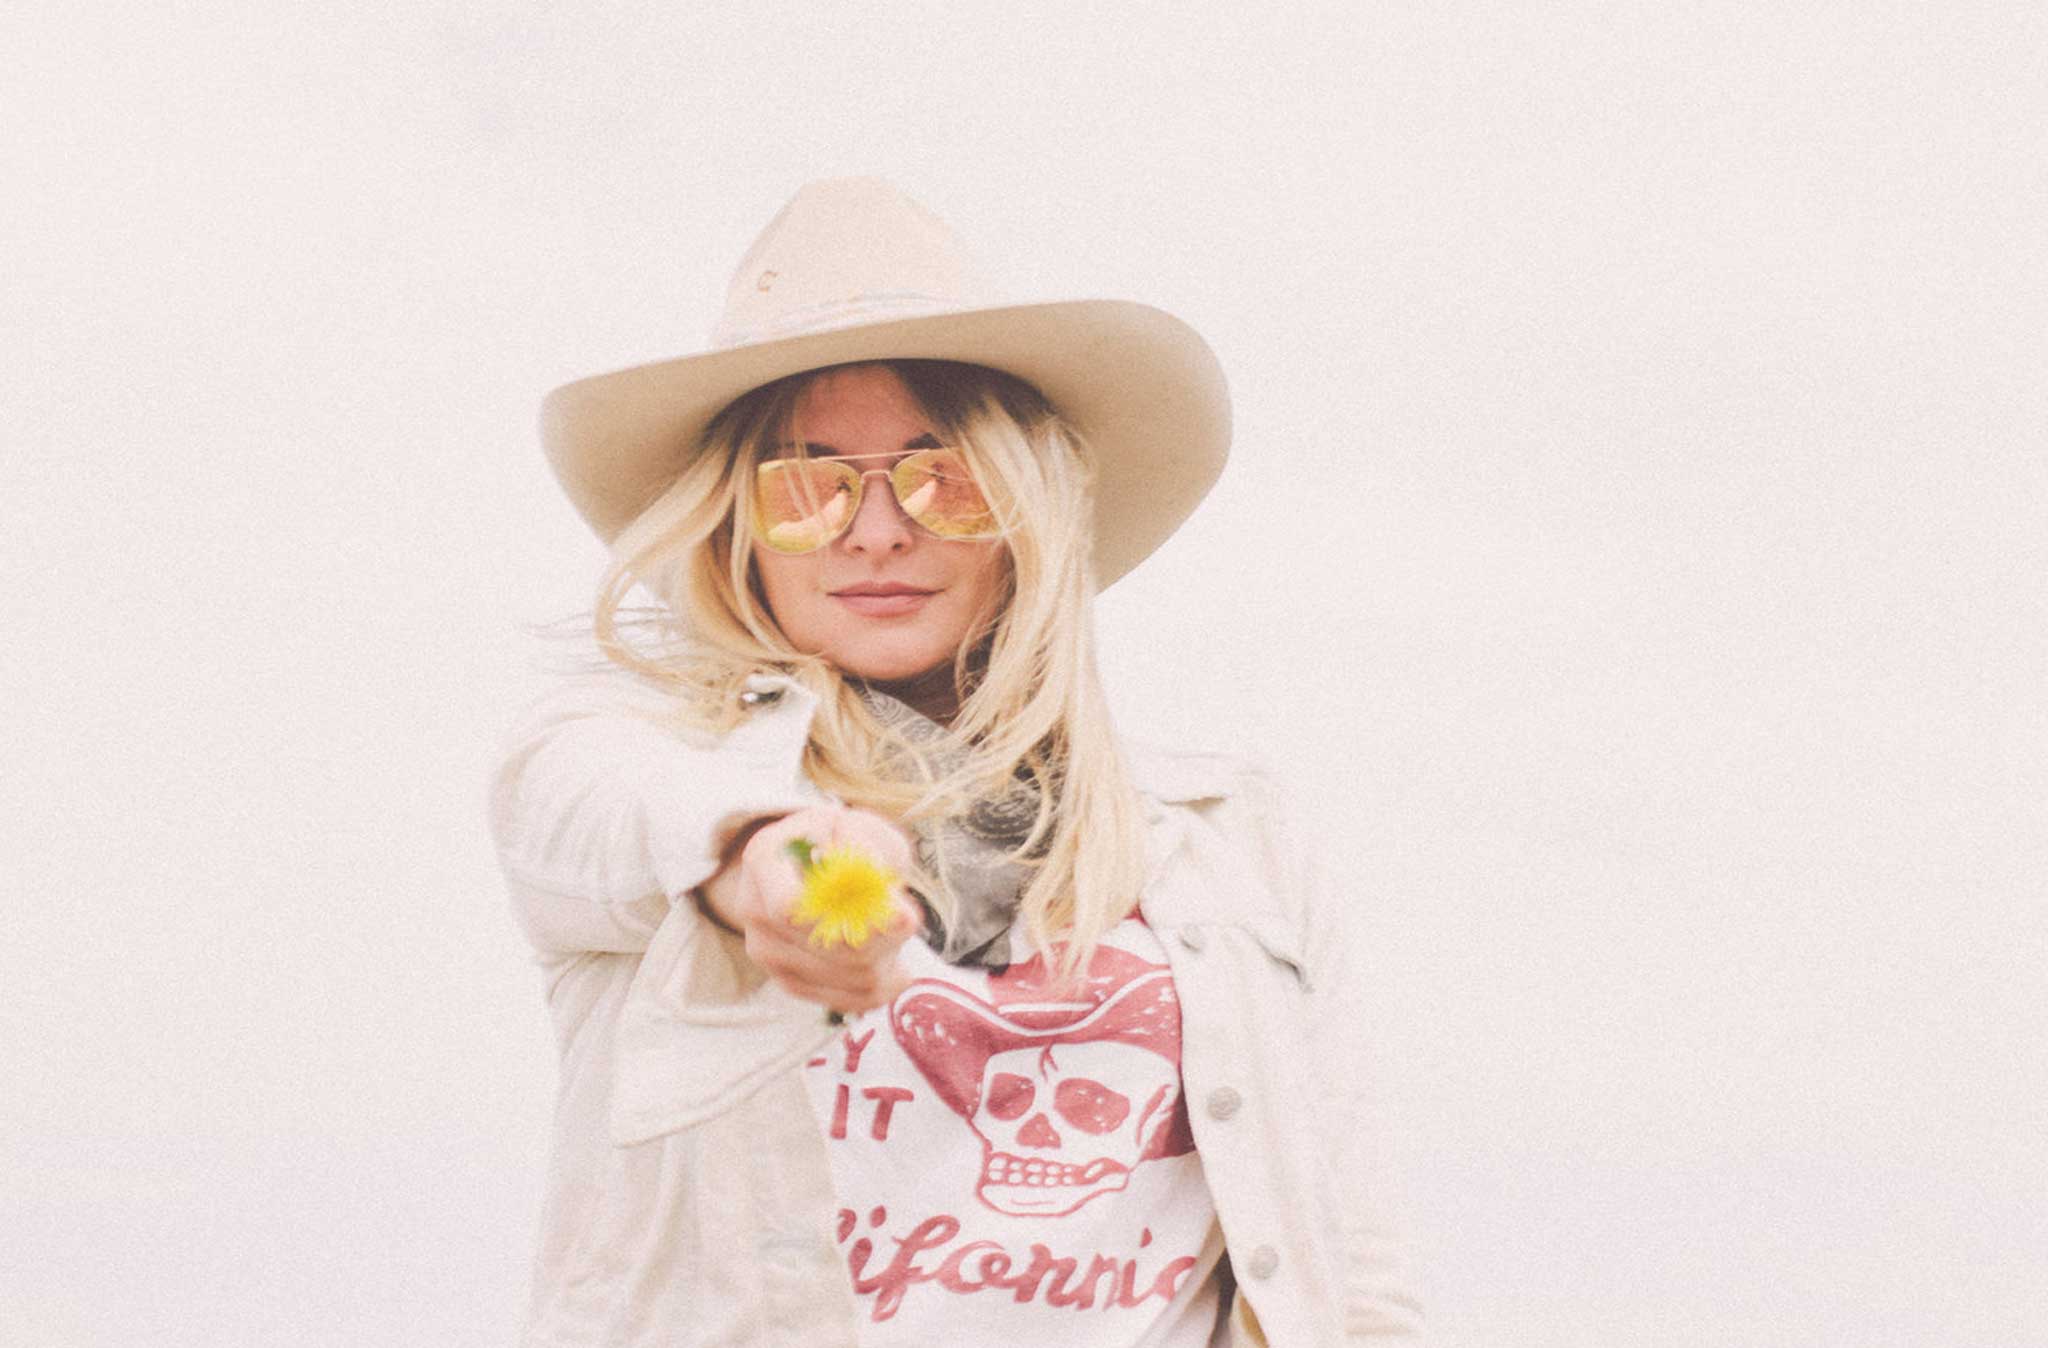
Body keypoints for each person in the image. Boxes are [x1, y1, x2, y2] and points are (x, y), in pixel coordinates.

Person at [489, 177, 1423, 1346]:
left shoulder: (1229, 829)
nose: (878, 531)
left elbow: (1355, 1269)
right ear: (737, 529)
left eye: (946, 480)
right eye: (806, 489)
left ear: (1026, 507)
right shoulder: (627, 756)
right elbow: (607, 810)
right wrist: (763, 861)